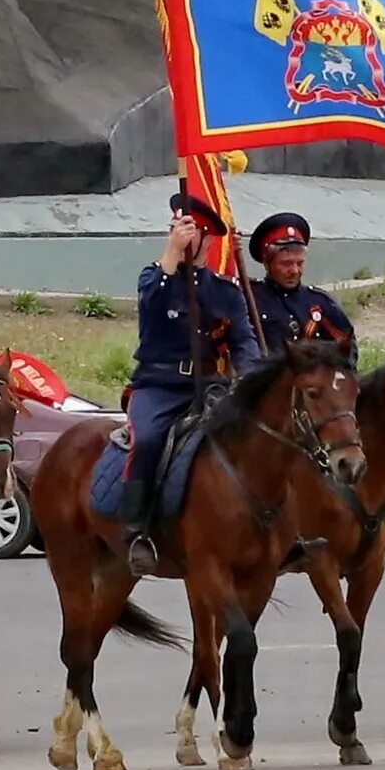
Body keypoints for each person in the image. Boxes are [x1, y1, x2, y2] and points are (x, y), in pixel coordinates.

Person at [118, 188, 259, 578]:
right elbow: (151, 305)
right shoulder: (154, 277)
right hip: (159, 385)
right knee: (146, 439)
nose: (183, 234)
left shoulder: (225, 293)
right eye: (177, 227)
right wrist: (170, 255)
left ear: (209, 239)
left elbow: (244, 341)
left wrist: (250, 378)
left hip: (211, 384)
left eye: (191, 229)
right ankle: (137, 529)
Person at [240, 212, 355, 352]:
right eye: (286, 264)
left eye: (299, 263)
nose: (294, 270)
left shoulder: (321, 303)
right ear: (267, 262)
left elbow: (347, 350)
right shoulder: (249, 299)